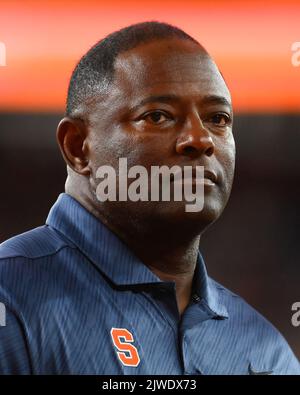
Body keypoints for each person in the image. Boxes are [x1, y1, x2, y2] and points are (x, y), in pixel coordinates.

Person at [0, 21, 299, 375]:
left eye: (218, 118)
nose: (200, 139)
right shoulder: (12, 299)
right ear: (78, 146)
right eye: (158, 116)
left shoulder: (262, 349)